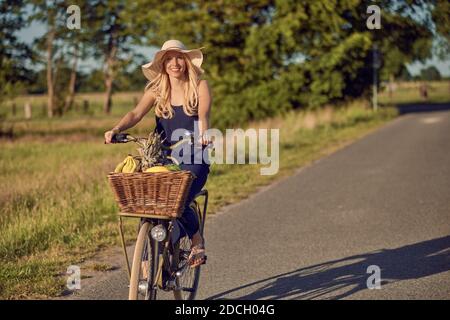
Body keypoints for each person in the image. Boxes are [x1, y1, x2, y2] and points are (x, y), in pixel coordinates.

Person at [104, 39, 211, 268]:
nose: (175, 63)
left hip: (193, 155)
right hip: (162, 156)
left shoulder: (199, 86)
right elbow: (135, 114)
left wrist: (203, 134)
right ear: (162, 64)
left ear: (186, 61)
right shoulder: (157, 90)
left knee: (179, 200)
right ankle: (146, 262)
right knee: (149, 203)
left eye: (179, 57)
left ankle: (196, 239)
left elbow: (203, 114)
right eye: (169, 59)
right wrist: (116, 129)